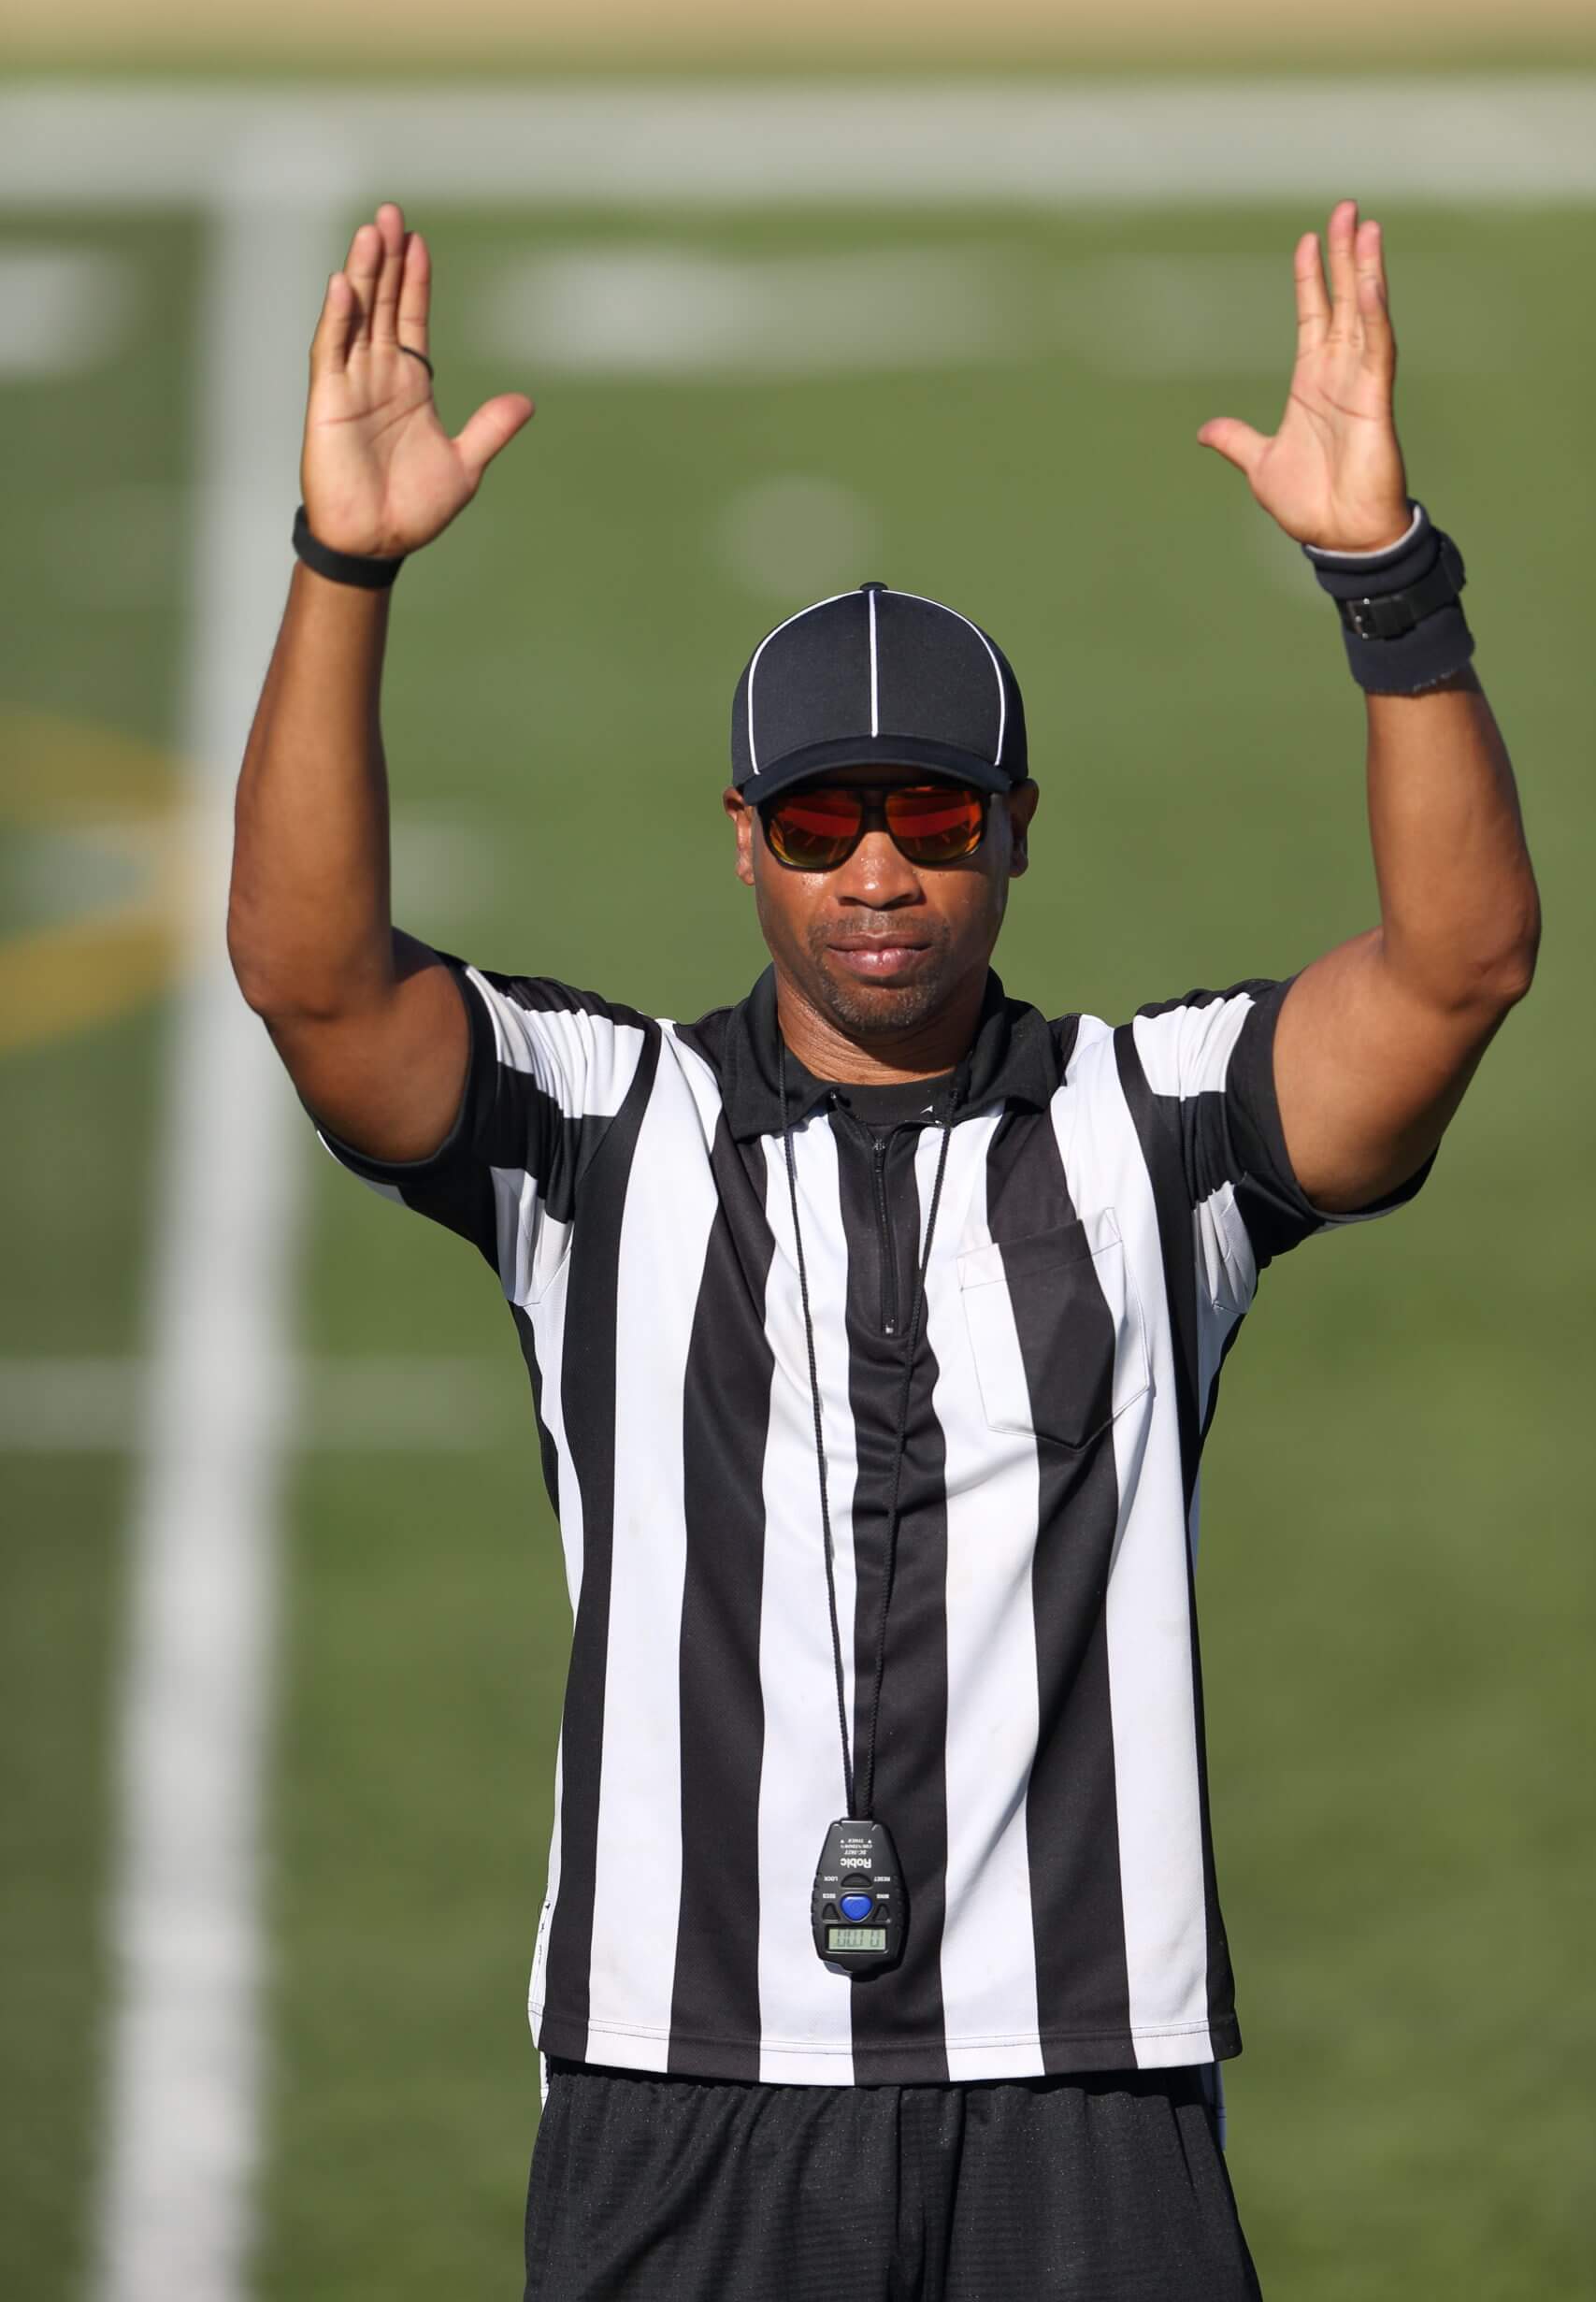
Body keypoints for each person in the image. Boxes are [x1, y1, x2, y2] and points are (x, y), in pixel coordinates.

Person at [228, 196, 1540, 2301]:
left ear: (1015, 827)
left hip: (1083, 2087)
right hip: (686, 2074)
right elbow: (310, 984)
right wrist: (344, 567)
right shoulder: (593, 1122)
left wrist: (1384, 585)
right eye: (823, 817)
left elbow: (1457, 973)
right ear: (741, 836)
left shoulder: (1158, 1123)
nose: (875, 870)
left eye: (929, 818)